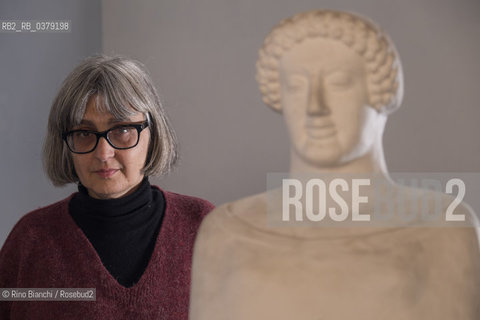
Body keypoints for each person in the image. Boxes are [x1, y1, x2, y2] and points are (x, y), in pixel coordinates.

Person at [189, 10, 480, 319]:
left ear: (380, 91)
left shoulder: (443, 227)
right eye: (296, 86)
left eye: (340, 83)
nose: (316, 107)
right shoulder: (226, 232)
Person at [0, 55, 214, 319]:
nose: (103, 153)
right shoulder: (31, 239)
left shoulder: (204, 227)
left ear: (153, 132)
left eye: (122, 129)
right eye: (84, 133)